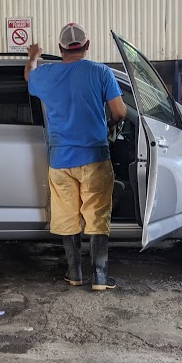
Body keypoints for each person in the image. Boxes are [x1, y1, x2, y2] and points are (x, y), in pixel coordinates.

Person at [25, 23, 127, 291]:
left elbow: (29, 76)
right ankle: (100, 278)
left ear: (60, 48)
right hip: (95, 158)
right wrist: (108, 125)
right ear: (87, 45)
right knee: (97, 215)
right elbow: (120, 112)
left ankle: (74, 274)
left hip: (60, 160)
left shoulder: (45, 74)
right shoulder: (101, 72)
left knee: (67, 216)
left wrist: (33, 56)